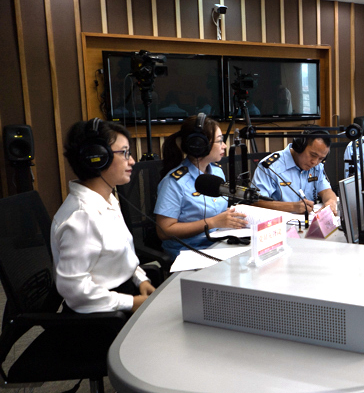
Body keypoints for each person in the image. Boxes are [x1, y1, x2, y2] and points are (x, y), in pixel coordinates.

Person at [51, 119, 156, 314]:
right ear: (98, 157)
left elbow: (119, 256)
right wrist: (131, 303)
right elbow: (74, 290)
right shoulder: (83, 217)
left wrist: (140, 279)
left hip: (120, 296)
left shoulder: (106, 199)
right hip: (100, 315)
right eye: (124, 153)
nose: (132, 161)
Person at [154, 114, 247, 258]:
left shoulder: (216, 172)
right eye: (219, 141)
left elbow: (219, 211)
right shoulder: (174, 182)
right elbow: (164, 231)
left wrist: (231, 216)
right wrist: (212, 222)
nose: (224, 146)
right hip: (188, 253)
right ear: (200, 145)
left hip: (219, 245)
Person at [251, 128, 338, 215]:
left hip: (309, 220)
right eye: (313, 155)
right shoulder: (270, 166)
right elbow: (256, 202)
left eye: (321, 158)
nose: (315, 162)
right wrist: (293, 207)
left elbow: (326, 191)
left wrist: (331, 202)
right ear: (299, 147)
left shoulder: (317, 166)